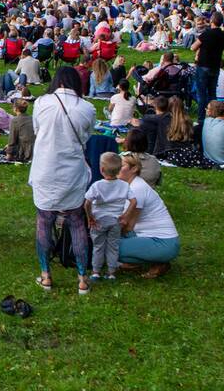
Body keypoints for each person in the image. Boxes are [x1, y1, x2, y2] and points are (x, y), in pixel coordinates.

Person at [29, 66, 96, 294]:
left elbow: (38, 130)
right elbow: (86, 137)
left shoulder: (41, 103)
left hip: (46, 169)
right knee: (77, 222)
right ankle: (82, 278)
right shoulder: (86, 108)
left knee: (44, 221)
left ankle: (46, 274)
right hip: (72, 171)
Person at [117, 154, 180, 278]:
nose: (116, 168)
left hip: (163, 243)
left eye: (122, 165)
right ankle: (134, 259)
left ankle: (158, 261)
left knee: (106, 247)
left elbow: (128, 226)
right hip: (149, 236)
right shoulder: (129, 185)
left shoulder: (137, 189)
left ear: (134, 169)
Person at [84, 152, 136, 281]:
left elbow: (87, 203)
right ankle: (111, 273)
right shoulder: (124, 185)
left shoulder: (97, 186)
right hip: (116, 221)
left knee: (98, 246)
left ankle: (96, 272)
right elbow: (134, 201)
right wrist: (125, 215)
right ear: (119, 170)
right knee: (113, 246)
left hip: (99, 221)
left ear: (101, 169)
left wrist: (90, 216)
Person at [190, 12, 224, 121]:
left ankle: (201, 119)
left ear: (211, 21)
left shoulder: (207, 34)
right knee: (212, 93)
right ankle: (214, 116)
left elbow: (193, 47)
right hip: (215, 65)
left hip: (203, 66)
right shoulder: (222, 35)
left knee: (201, 94)